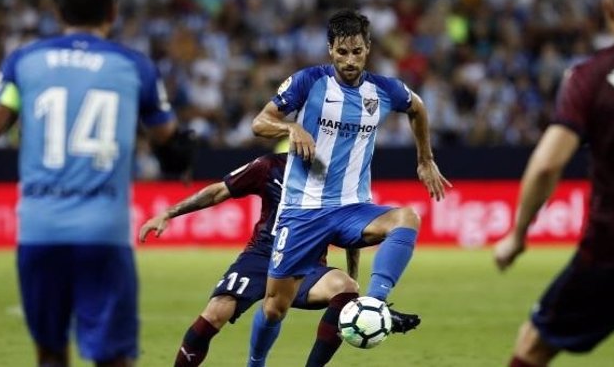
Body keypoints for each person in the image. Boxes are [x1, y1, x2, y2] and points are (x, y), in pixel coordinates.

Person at [0, 0, 194, 366]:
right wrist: (179, 156)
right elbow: (169, 144)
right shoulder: (133, 66)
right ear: (112, 11)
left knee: (50, 354)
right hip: (103, 234)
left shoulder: (23, 62)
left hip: (39, 232)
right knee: (112, 359)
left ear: (57, 11)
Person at [248, 9, 450, 366]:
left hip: (351, 208)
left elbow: (417, 108)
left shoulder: (384, 90)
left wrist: (425, 159)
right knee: (275, 306)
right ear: (330, 50)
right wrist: (290, 128)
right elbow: (260, 121)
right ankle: (255, 363)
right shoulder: (308, 82)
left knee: (406, 218)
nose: (350, 60)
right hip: (302, 210)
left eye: (357, 51)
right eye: (342, 52)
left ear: (368, 48)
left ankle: (373, 303)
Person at [494, 0, 614, 366]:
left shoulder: (590, 75)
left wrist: (518, 235)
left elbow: (548, 164)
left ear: (609, 10)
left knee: (533, 345)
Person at [139, 152, 421, 367]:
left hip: (307, 262)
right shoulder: (270, 166)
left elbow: (351, 236)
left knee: (345, 288)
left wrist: (356, 282)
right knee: (216, 313)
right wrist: (168, 213)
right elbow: (219, 190)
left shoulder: (337, 181)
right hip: (260, 257)